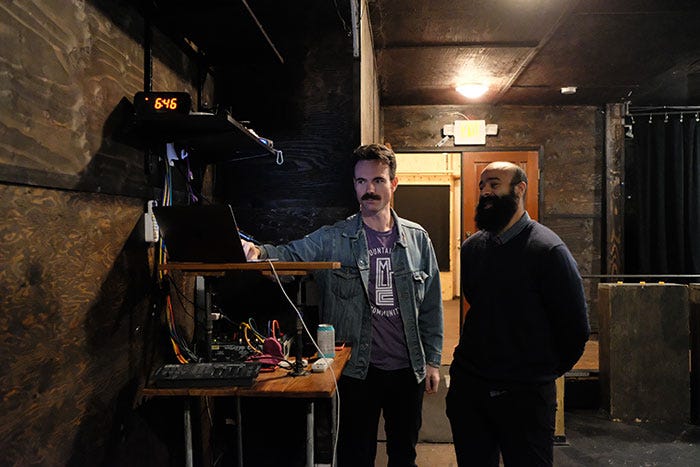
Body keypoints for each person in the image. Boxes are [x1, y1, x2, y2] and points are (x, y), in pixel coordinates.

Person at [241, 143, 443, 467]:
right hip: (356, 370)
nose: (369, 190)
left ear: (394, 183)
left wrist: (433, 360)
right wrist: (259, 253)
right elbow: (290, 255)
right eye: (361, 182)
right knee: (354, 454)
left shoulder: (418, 239)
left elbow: (431, 304)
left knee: (404, 454)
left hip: (407, 368)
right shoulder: (333, 238)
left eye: (377, 180)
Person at [446, 161, 590, 466]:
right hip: (471, 390)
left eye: (495, 184)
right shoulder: (472, 249)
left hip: (525, 397)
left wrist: (537, 372)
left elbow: (575, 328)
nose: (485, 192)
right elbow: (480, 304)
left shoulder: (549, 251)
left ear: (519, 189)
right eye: (482, 185)